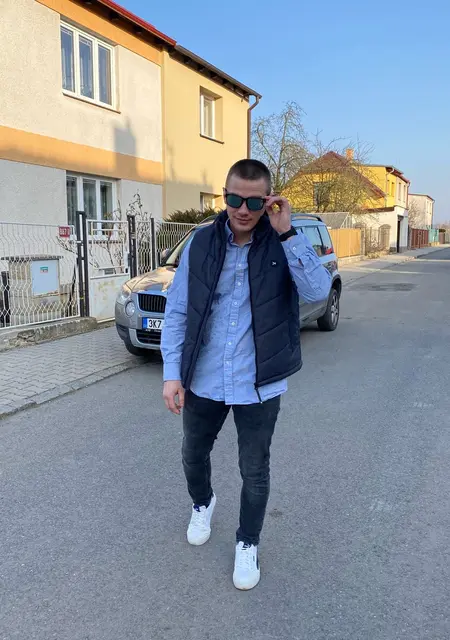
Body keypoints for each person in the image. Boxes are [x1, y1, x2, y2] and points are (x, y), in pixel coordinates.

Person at [161, 159, 331, 590]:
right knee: (192, 454)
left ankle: (247, 542)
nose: (242, 209)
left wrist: (287, 232)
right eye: (234, 199)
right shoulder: (201, 242)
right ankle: (203, 503)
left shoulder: (282, 241)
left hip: (259, 382)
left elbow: (317, 291)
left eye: (254, 202)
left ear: (268, 200)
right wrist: (171, 373)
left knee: (254, 469)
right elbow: (178, 311)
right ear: (224, 196)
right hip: (204, 376)